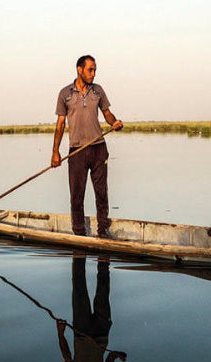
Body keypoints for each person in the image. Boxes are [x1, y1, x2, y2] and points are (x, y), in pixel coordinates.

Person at [51, 55, 124, 238]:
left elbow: (107, 114)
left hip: (98, 148)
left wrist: (115, 123)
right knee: (76, 197)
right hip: (77, 151)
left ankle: (103, 231)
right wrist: (55, 153)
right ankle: (79, 234)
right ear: (79, 69)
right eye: (90, 69)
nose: (93, 73)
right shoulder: (65, 94)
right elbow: (60, 125)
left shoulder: (98, 91)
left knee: (101, 193)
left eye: (95, 70)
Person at [56, 256, 126, 362]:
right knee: (103, 288)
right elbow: (110, 358)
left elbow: (67, 357)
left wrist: (60, 333)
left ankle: (78, 251)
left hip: (82, 331)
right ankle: (104, 257)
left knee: (79, 287)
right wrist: (119, 355)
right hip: (102, 331)